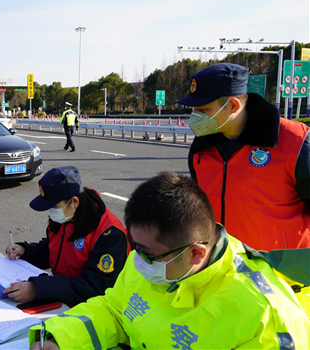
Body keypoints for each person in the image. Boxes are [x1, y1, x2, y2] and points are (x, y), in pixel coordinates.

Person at [29, 172, 310, 350]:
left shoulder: (265, 320)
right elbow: (113, 309)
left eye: (147, 253)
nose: (136, 260)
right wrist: (59, 339)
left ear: (196, 254)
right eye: (135, 247)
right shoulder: (154, 260)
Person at [178, 62, 310, 251]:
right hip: (223, 269)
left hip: (279, 272)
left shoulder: (296, 142)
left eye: (203, 109)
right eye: (194, 109)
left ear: (233, 105)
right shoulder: (201, 149)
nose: (195, 116)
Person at [4, 165, 127, 305]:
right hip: (62, 299)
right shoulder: (67, 215)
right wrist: (26, 251)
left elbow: (95, 287)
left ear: (74, 202)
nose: (50, 212)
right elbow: (54, 248)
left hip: (91, 310)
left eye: (53, 207)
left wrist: (39, 288)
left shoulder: (109, 235)